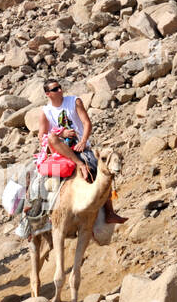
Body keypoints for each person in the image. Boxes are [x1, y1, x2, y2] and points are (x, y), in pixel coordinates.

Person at [36, 77, 126, 224]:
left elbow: (86, 123)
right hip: (61, 150)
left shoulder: (74, 101)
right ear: (48, 94)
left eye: (59, 87)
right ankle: (44, 218)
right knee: (41, 182)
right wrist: (61, 134)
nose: (60, 90)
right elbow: (42, 136)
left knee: (101, 172)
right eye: (55, 89)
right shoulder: (46, 111)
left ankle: (110, 211)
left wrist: (83, 141)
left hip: (79, 146)